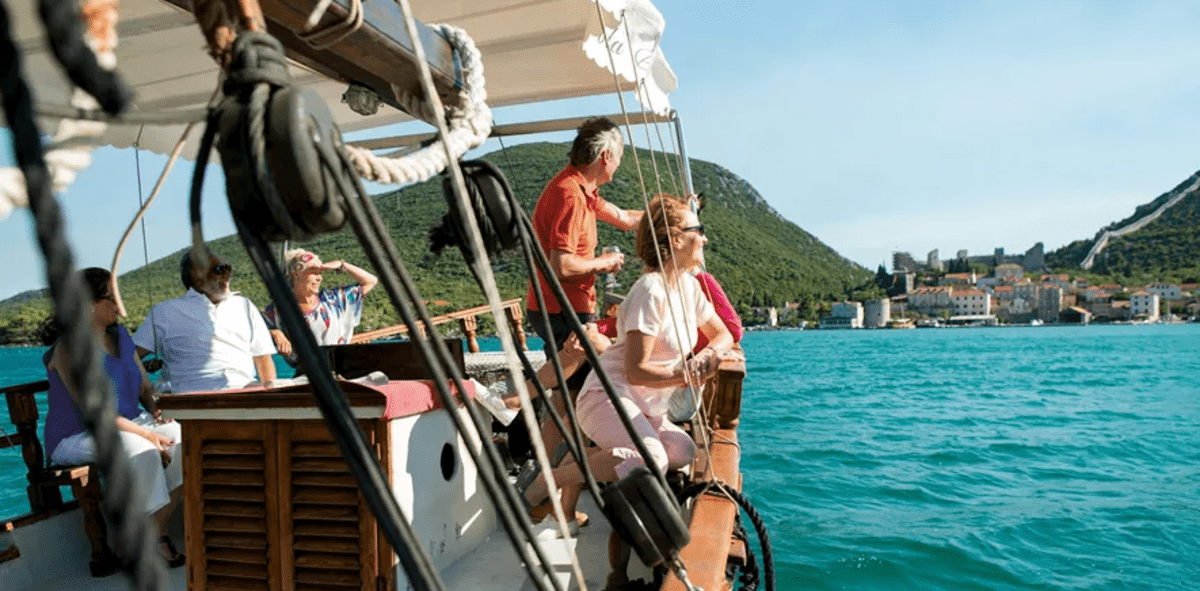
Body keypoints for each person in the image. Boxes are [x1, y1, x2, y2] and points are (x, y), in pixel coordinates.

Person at [521, 195, 733, 532]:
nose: (704, 237)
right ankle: (551, 479)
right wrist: (683, 376)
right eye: (699, 230)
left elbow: (724, 333)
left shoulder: (690, 287)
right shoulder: (650, 291)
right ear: (675, 239)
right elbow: (636, 370)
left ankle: (577, 461)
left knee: (681, 450)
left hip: (645, 405)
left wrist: (709, 355)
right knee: (652, 459)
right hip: (607, 395)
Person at [42, 268, 185, 569]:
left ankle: (145, 533)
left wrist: (156, 410)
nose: (120, 307)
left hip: (131, 422)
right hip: (75, 434)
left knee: (187, 442)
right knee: (140, 449)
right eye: (112, 299)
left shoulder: (121, 337)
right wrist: (147, 436)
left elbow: (144, 387)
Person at [526, 116, 644, 359]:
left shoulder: (582, 189)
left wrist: (673, 212)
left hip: (559, 306)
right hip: (562, 309)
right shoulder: (571, 196)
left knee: (569, 383)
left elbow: (624, 218)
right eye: (619, 156)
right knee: (572, 388)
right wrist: (605, 262)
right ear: (605, 156)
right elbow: (562, 266)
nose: (620, 163)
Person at [134, 248, 277, 393]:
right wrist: (149, 395)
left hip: (245, 394)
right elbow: (129, 356)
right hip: (193, 400)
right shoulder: (166, 311)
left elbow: (263, 358)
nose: (227, 274)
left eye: (228, 268)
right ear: (197, 275)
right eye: (220, 269)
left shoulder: (245, 305)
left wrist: (271, 394)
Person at [263, 248, 378, 366]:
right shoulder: (277, 310)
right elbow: (255, 331)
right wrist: (275, 333)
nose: (320, 278)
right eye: (314, 272)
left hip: (341, 367)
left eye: (320, 272)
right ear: (296, 273)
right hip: (306, 374)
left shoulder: (333, 300)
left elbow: (371, 281)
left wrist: (342, 264)